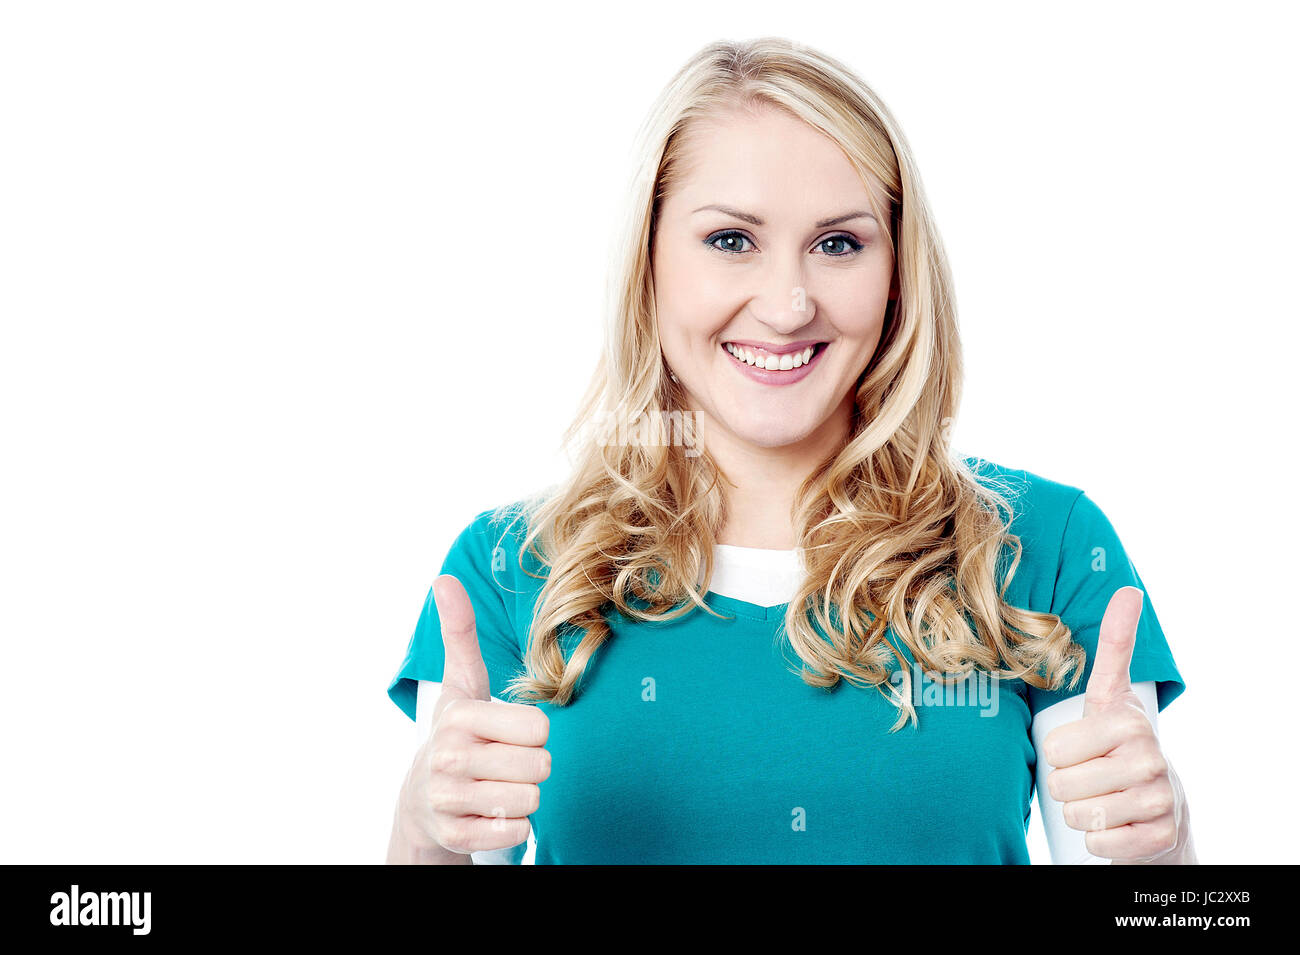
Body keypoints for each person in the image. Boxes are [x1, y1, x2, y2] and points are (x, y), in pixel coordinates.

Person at [384, 37, 1195, 865]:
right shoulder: (509, 569)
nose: (787, 304)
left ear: (897, 274)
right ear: (651, 263)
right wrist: (422, 830)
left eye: (838, 243)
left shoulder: (1044, 549)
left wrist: (1166, 850)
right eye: (732, 239)